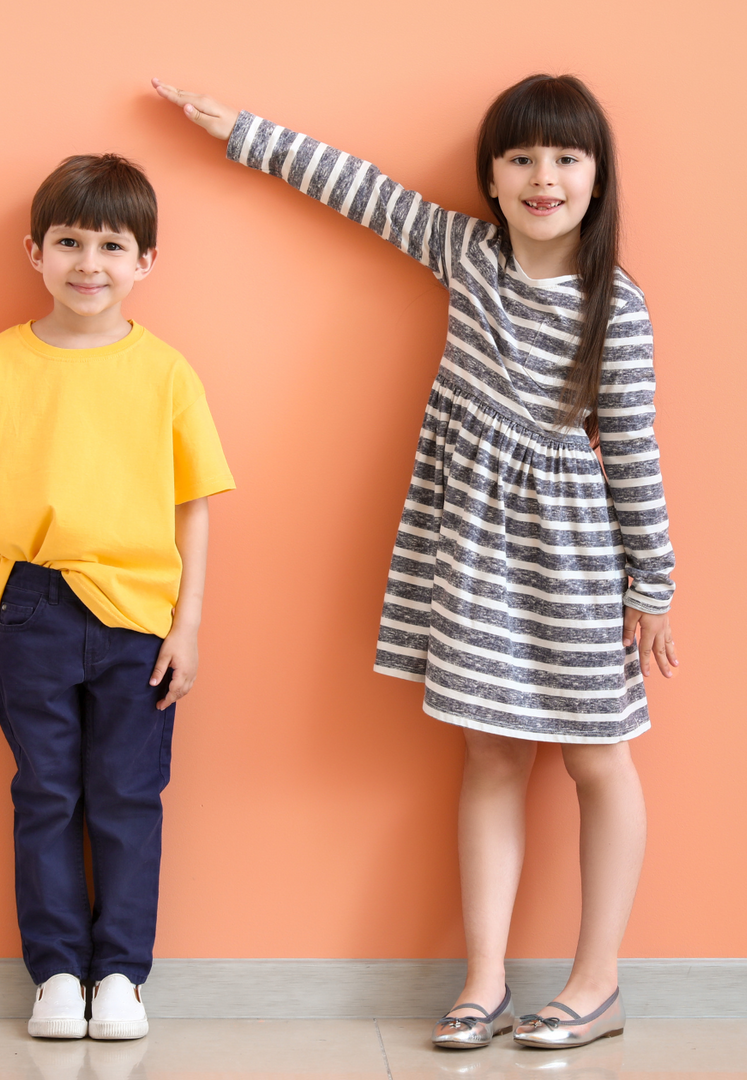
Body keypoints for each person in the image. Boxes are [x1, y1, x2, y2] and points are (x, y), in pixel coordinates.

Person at [156, 73, 677, 1050]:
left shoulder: (618, 306)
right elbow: (362, 190)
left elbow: (636, 453)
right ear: (490, 177)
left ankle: (596, 980)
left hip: (572, 561)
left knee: (597, 757)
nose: (543, 176)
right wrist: (244, 134)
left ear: (598, 178)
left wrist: (653, 582)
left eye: (566, 157)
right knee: (488, 750)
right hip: (475, 548)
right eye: (521, 157)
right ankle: (482, 977)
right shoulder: (467, 252)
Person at [0, 153, 236, 1040]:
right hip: (31, 607)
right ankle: (58, 972)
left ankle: (122, 978)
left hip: (140, 617)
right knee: (46, 795)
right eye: (69, 242)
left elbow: (195, 506)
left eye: (112, 245)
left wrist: (190, 628)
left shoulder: (167, 373)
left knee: (130, 798)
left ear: (146, 261)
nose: (88, 263)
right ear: (35, 251)